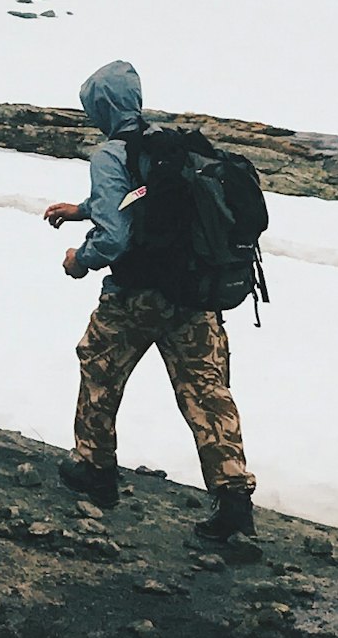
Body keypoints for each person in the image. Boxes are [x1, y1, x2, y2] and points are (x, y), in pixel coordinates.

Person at [44, 60, 258, 541]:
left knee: (99, 366)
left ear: (101, 106)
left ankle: (95, 471)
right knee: (207, 392)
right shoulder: (168, 144)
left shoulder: (109, 154)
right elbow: (142, 199)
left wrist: (81, 258)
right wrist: (82, 210)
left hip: (137, 294)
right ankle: (234, 505)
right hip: (195, 294)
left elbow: (117, 233)